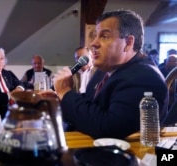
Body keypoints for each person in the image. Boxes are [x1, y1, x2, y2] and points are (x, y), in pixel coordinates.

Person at [47, 9, 169, 139]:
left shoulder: (145, 78)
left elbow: (107, 128)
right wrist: (59, 99)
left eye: (104, 36)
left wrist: (65, 92)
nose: (93, 43)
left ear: (128, 43)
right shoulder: (104, 70)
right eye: (95, 36)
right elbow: (92, 103)